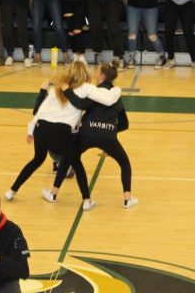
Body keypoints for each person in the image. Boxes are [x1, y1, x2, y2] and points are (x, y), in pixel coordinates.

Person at [45, 61, 138, 208]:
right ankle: (127, 199)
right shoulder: (116, 97)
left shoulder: (94, 93)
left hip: (86, 132)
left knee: (68, 158)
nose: (94, 74)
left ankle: (53, 192)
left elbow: (80, 104)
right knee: (124, 163)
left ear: (101, 76)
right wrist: (109, 131)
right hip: (108, 136)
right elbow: (124, 124)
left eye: (97, 71)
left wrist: (67, 90)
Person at [5, 71, 91, 203]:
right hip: (61, 131)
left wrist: (31, 130)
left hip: (42, 128)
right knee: (77, 164)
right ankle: (86, 200)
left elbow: (37, 112)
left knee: (37, 160)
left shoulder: (53, 92)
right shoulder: (79, 96)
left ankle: (12, 191)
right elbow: (78, 120)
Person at [121, 0, 165, 68]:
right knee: (132, 34)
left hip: (150, 9)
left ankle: (162, 56)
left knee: (152, 35)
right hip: (133, 8)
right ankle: (131, 58)